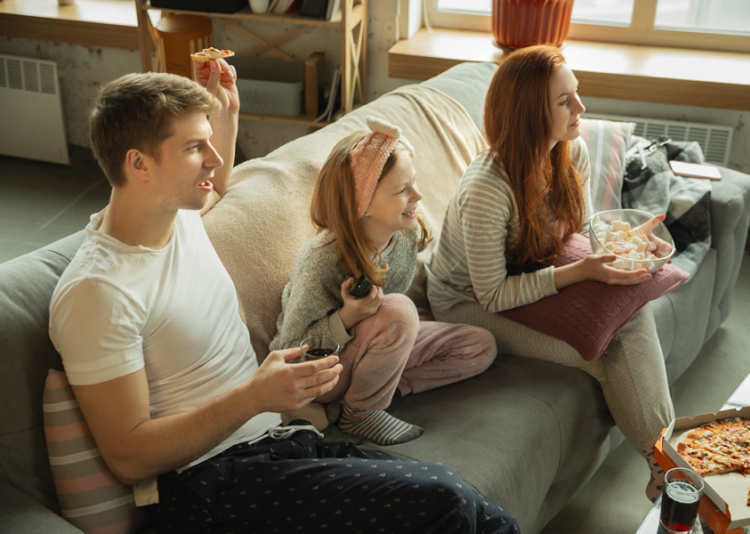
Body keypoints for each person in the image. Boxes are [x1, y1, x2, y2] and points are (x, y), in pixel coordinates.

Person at [49, 59, 519, 533]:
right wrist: (253, 397)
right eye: (194, 146)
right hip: (212, 483)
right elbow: (129, 456)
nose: (212, 158)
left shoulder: (177, 215)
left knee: (486, 516)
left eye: (208, 140)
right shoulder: (98, 292)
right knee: (446, 499)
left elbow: (220, 180)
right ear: (138, 164)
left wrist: (226, 112)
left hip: (279, 442)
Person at [424, 45, 675, 502]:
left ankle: (669, 464)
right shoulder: (486, 190)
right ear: (529, 115)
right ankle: (668, 468)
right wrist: (580, 272)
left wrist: (628, 241)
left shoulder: (569, 152)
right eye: (565, 101)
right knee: (599, 352)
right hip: (467, 303)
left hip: (535, 269)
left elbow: (572, 232)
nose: (581, 108)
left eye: (576, 95)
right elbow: (494, 294)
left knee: (631, 313)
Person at [270, 116, 498, 446]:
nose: (418, 195)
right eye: (402, 190)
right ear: (361, 204)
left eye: (414, 183)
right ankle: (361, 413)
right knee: (400, 309)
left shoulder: (406, 237)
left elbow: (392, 322)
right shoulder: (322, 259)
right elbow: (290, 349)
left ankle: (374, 391)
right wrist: (348, 317)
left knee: (479, 347)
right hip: (323, 369)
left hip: (375, 349)